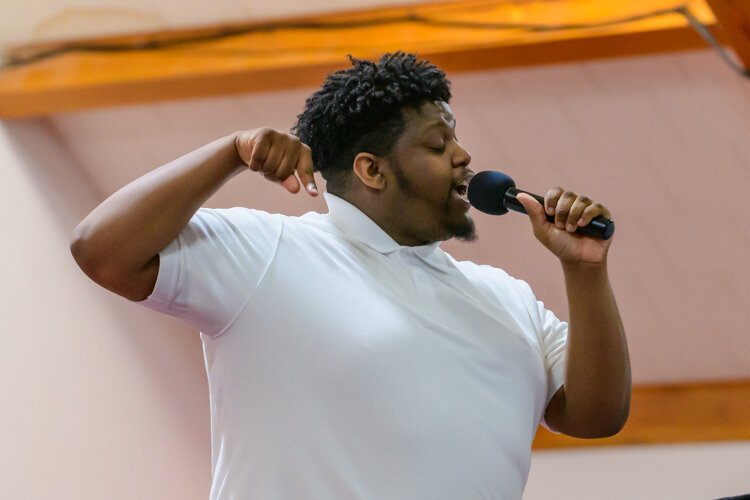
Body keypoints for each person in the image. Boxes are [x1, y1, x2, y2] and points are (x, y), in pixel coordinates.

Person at [70, 52, 630, 500]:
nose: (464, 157)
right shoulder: (272, 252)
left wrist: (584, 272)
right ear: (371, 170)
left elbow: (595, 416)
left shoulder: (506, 298)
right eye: (438, 144)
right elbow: (102, 250)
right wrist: (230, 153)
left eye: (457, 140)